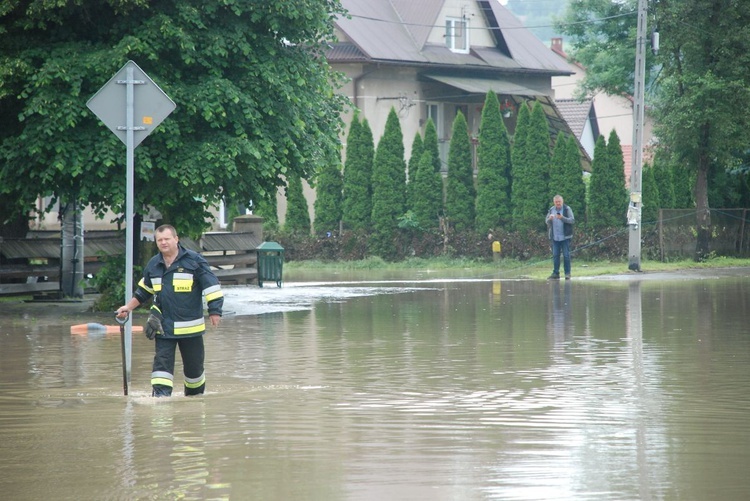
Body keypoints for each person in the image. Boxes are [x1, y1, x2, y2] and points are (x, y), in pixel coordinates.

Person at [116, 224, 223, 397]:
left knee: (194, 371)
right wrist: (127, 308)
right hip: (163, 327)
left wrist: (215, 311)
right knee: (161, 368)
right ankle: (160, 400)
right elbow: (143, 292)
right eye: (160, 240)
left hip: (191, 329)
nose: (163, 243)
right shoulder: (154, 264)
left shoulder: (194, 261)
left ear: (176, 239)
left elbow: (211, 287)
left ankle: (195, 401)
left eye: (167, 239)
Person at [545, 194, 575, 280]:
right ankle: (555, 273)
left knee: (566, 255)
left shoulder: (567, 209)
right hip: (555, 237)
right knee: (555, 255)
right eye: (556, 202)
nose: (558, 203)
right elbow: (546, 221)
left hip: (565, 237)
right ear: (554, 202)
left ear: (562, 201)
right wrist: (549, 219)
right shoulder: (551, 210)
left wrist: (562, 218)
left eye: (559, 202)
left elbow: (572, 220)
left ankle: (567, 274)